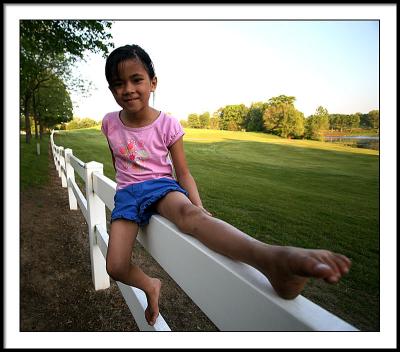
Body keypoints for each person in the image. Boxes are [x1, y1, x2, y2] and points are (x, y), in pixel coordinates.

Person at [101, 44, 351, 327]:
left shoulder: (167, 124)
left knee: (191, 217)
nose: (129, 89)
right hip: (127, 194)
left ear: (153, 82)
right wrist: (129, 198)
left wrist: (198, 206)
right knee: (116, 266)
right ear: (112, 90)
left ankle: (271, 259)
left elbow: (183, 172)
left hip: (161, 187)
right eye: (119, 84)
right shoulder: (109, 123)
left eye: (137, 80)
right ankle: (151, 285)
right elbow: (119, 164)